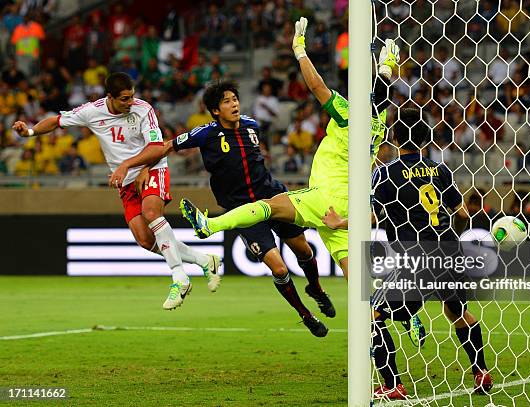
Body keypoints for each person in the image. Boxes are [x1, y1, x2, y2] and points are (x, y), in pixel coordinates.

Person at [178, 18, 398, 277]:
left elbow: (317, 85)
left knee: (268, 206)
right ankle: (397, 310)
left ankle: (210, 224)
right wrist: (387, 67)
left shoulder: (348, 114)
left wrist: (300, 50)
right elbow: (381, 95)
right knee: (356, 279)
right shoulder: (380, 121)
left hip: (325, 197)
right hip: (350, 205)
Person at [123, 81, 334, 337]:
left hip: (273, 196)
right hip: (243, 209)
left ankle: (317, 289)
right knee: (279, 269)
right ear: (215, 110)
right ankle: (305, 314)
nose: (234, 104)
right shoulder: (205, 133)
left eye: (235, 99)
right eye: (226, 101)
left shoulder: (251, 125)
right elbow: (166, 146)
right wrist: (144, 166)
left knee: (303, 249)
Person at [12, 72, 221, 311]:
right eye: (124, 99)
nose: (130, 102)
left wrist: (129, 166)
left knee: (151, 213)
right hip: (125, 182)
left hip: (152, 168)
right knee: (144, 239)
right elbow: (56, 120)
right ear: (109, 97)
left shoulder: (143, 109)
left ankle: (179, 278)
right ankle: (204, 260)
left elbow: (157, 147)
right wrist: (29, 132)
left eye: (132, 96)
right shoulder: (92, 111)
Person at [324, 108, 493, 399]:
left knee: (371, 314)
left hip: (414, 258)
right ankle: (481, 372)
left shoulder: (385, 172)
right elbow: (462, 212)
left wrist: (340, 223)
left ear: (393, 138)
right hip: (449, 252)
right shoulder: (439, 169)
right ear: (426, 138)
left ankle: (392, 384)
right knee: (457, 312)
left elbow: (371, 216)